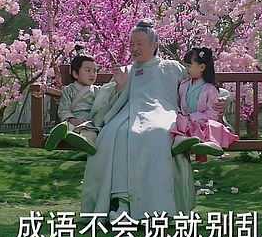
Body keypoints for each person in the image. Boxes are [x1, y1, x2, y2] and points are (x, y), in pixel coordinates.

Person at [81, 19, 224, 222]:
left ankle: (158, 208)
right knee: (114, 135)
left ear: (155, 45)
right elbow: (106, 101)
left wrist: (221, 100)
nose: (134, 48)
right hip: (127, 114)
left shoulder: (171, 67)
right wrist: (119, 87)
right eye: (131, 44)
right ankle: (122, 203)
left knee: (158, 133)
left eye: (140, 43)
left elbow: (199, 85)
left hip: (163, 113)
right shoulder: (127, 71)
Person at [170, 47, 239, 157]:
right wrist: (183, 116)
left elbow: (213, 113)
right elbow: (177, 104)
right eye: (185, 66)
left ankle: (211, 143)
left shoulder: (210, 89)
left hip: (204, 123)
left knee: (212, 125)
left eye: (189, 66)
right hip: (187, 121)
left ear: (202, 67)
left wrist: (194, 117)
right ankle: (180, 141)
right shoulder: (183, 85)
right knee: (180, 123)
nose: (186, 69)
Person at [44, 47, 114, 155]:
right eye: (88, 70)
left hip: (89, 122)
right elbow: (63, 109)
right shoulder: (68, 90)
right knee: (66, 127)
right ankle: (55, 137)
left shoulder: (98, 90)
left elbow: (106, 101)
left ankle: (84, 141)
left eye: (95, 71)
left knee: (90, 132)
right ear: (75, 74)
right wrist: (72, 119)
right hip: (73, 121)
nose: (92, 74)